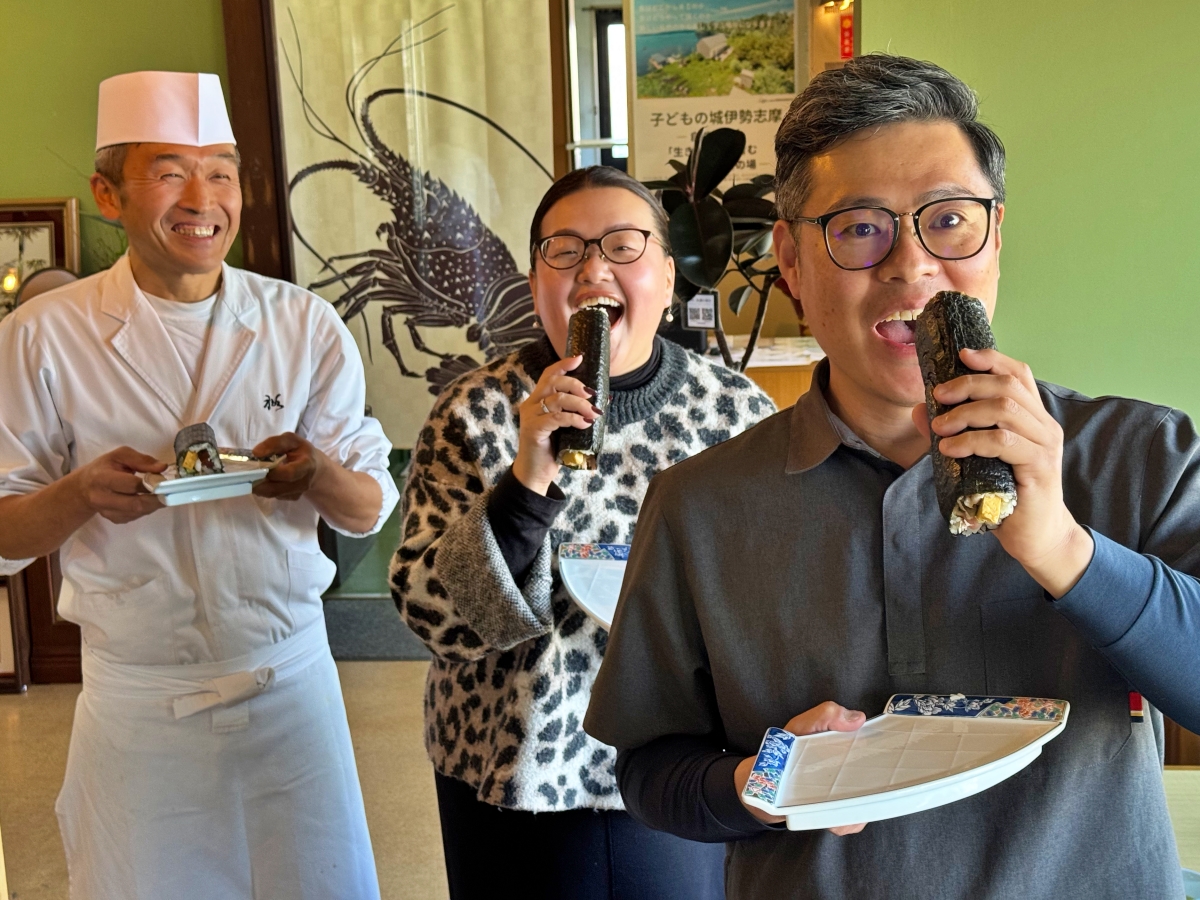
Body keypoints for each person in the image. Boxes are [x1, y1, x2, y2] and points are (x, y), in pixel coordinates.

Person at [584, 54, 1200, 899]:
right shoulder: (700, 504)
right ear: (791, 264)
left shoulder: (1141, 453)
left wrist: (1064, 548)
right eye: (860, 228)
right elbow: (652, 769)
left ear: (995, 237)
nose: (911, 266)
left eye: (948, 220)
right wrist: (759, 783)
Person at [0, 71, 397, 898]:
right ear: (107, 194)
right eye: (169, 172)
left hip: (291, 688)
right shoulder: (44, 335)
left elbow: (366, 510)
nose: (202, 198)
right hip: (139, 704)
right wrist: (77, 496)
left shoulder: (302, 324)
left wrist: (317, 474)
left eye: (221, 171)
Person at [392, 165, 775, 899]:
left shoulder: (736, 414)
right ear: (535, 280)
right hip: (508, 765)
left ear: (668, 276)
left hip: (679, 769)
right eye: (564, 250)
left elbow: (777, 602)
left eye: (624, 246)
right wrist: (526, 478)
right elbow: (429, 615)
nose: (594, 269)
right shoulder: (472, 411)